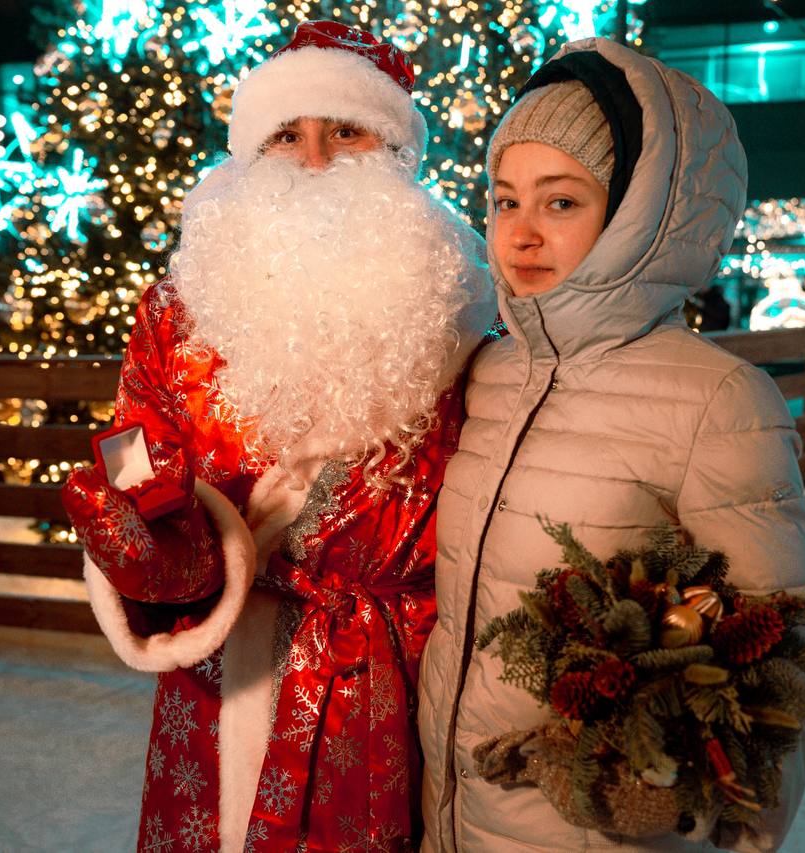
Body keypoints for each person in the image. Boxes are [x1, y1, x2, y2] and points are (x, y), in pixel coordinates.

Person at [61, 21, 494, 852]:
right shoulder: (177, 309)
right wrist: (142, 543)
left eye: (347, 131)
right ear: (247, 156)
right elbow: (136, 457)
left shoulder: (460, 309)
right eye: (286, 134)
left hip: (379, 673)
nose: (317, 160)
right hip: (223, 662)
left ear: (396, 150)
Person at [418, 39, 805, 852]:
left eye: (561, 202)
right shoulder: (487, 373)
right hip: (447, 817)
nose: (522, 234)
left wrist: (709, 813)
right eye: (505, 201)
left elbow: (790, 663)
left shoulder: (718, 400)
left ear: (642, 213)